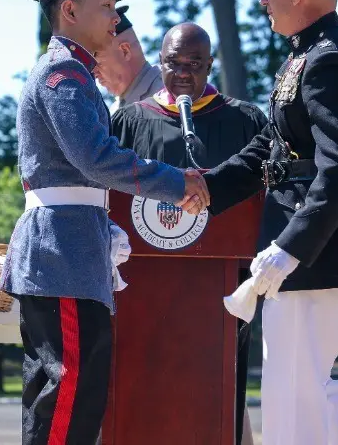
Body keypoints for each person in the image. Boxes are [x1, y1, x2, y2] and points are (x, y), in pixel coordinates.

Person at [0, 0, 209, 445]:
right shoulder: (62, 75)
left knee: (72, 395)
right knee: (67, 394)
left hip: (71, 249)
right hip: (62, 250)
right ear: (69, 11)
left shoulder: (75, 74)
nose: (116, 16)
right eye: (105, 4)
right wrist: (178, 182)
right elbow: (96, 157)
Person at [190, 0, 338, 445]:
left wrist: (289, 249)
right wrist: (206, 189)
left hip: (316, 253)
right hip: (305, 251)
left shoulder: (331, 61)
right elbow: (269, 147)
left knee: (298, 400)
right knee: (298, 395)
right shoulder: (307, 56)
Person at [111, 22, 267, 445]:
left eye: (194, 64)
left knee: (218, 398)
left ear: (210, 65)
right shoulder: (127, 122)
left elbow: (260, 200)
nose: (183, 73)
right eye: (173, 63)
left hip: (220, 293)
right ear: (159, 64)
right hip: (141, 293)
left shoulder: (246, 121)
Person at [92, 5, 163, 113]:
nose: (93, 72)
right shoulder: (115, 109)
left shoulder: (168, 96)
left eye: (97, 62)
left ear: (125, 51)